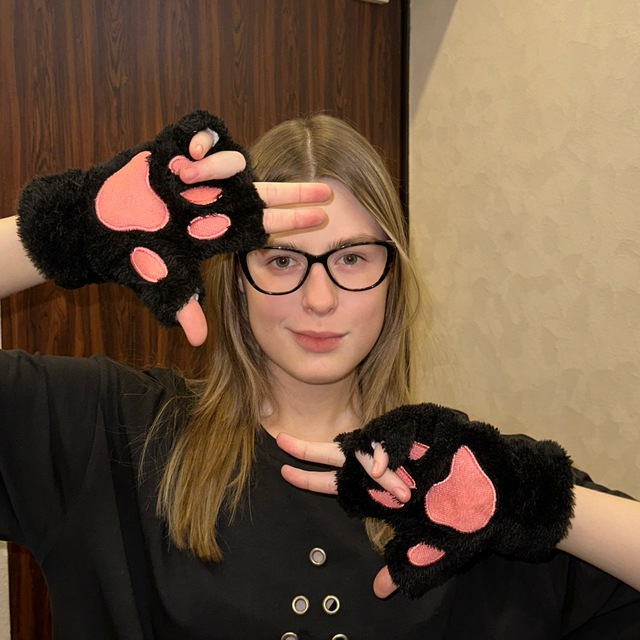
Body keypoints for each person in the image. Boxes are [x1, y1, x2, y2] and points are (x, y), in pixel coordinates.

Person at [0, 113, 639, 640]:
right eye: (282, 260)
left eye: (352, 258)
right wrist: (69, 229)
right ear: (234, 275)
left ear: (393, 278)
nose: (320, 299)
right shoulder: (112, 433)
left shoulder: (460, 484)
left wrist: (528, 499)